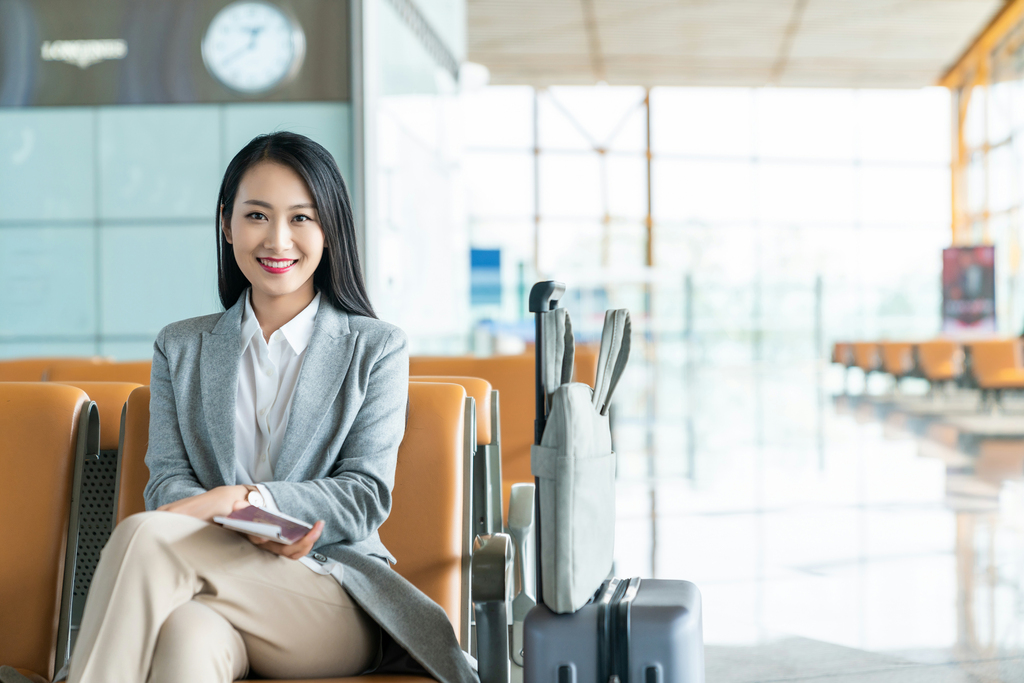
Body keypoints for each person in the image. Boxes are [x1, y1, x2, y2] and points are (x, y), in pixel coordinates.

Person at [49, 132, 474, 683]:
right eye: (257, 215)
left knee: (145, 536)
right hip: (213, 580)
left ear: (330, 230)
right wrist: (239, 521)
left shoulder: (375, 347)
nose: (278, 239)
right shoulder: (181, 348)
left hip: (331, 597)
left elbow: (365, 496)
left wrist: (249, 500)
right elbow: (168, 484)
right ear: (226, 224)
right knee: (185, 638)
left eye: (302, 218)